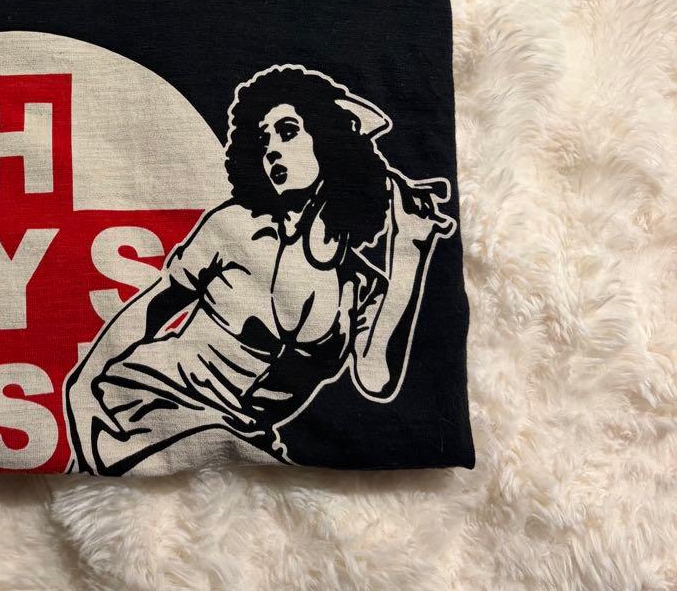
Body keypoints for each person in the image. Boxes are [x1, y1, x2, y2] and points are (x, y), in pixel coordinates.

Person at [63, 63, 457, 475]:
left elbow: (375, 380)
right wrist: (82, 386)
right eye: (263, 139)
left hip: (242, 436)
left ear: (330, 142)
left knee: (252, 461)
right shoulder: (234, 226)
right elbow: (154, 306)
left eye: (287, 131)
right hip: (149, 402)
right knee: (230, 450)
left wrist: (409, 248)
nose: (271, 150)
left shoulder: (361, 285)